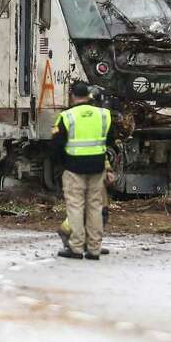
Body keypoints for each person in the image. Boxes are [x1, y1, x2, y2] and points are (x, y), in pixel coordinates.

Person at [53, 82, 115, 260]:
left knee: (75, 206)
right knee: (95, 207)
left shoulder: (67, 116)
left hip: (74, 167)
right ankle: (94, 249)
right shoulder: (104, 115)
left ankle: (76, 247)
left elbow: (56, 146)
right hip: (97, 167)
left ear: (73, 96)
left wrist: (63, 164)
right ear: (89, 96)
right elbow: (110, 141)